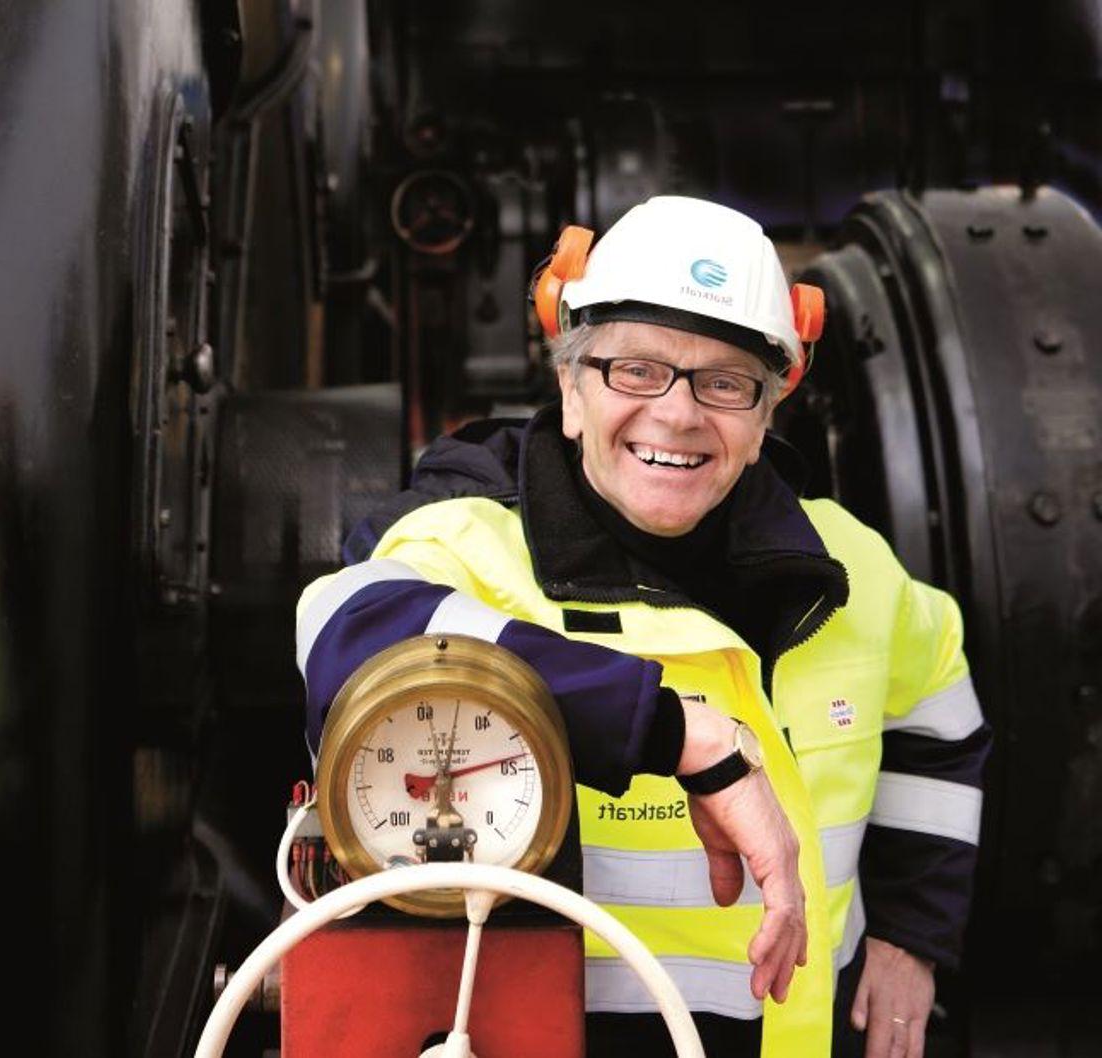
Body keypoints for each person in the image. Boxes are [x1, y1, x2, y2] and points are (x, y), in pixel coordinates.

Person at [297, 196, 990, 1057]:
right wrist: (675, 733)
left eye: (726, 382)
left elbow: (940, 711)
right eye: (635, 370)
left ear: (770, 409)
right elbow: (341, 630)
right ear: (571, 387)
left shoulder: (852, 571)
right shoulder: (469, 548)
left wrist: (910, 935)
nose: (677, 413)